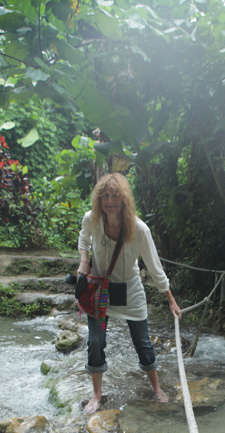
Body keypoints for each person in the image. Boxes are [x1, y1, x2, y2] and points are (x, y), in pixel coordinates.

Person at [77, 173, 181, 413]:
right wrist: (84, 262)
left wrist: (171, 301)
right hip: (100, 291)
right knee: (95, 342)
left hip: (130, 290)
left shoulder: (139, 229)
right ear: (99, 199)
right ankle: (96, 394)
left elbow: (155, 268)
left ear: (124, 199)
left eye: (115, 196)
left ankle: (156, 388)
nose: (110, 201)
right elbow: (84, 241)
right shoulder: (91, 219)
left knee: (143, 343)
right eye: (105, 196)